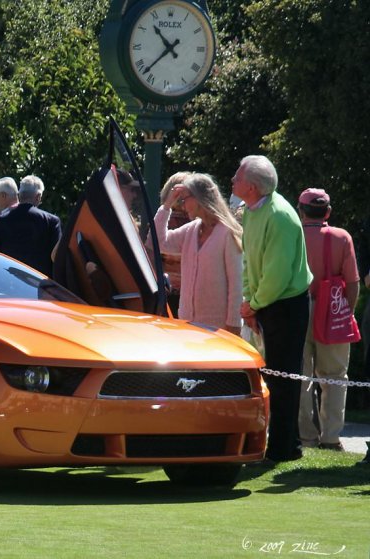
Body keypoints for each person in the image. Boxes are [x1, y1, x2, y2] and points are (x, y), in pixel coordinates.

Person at [233, 155, 313, 463]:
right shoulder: (251, 211)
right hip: (265, 302)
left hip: (286, 303)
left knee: (283, 378)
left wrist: (252, 305)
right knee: (271, 376)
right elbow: (249, 263)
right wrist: (250, 303)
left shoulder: (279, 216)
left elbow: (276, 275)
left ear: (252, 187)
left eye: (238, 176)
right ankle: (282, 443)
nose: (233, 180)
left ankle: (283, 448)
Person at [296, 188, 359, 452]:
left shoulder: (293, 234)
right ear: (328, 212)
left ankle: (306, 437)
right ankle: (331, 438)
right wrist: (348, 312)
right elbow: (353, 282)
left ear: (301, 211)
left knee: (299, 375)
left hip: (297, 309)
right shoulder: (342, 237)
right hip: (333, 308)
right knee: (334, 376)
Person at [154, 173, 242, 334]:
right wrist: (166, 206)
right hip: (187, 324)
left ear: (198, 198)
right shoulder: (191, 230)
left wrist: (234, 325)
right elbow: (159, 242)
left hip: (218, 328)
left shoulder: (227, 233)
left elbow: (236, 284)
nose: (182, 206)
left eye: (184, 200)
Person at [0, 175, 61, 276]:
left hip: (9, 280)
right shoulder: (51, 221)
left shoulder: (0, 221)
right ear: (38, 196)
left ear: (19, 195)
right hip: (41, 281)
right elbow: (57, 257)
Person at [156, 172, 193, 317]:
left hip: (164, 291)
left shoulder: (160, 219)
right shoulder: (196, 225)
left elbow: (151, 250)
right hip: (185, 295)